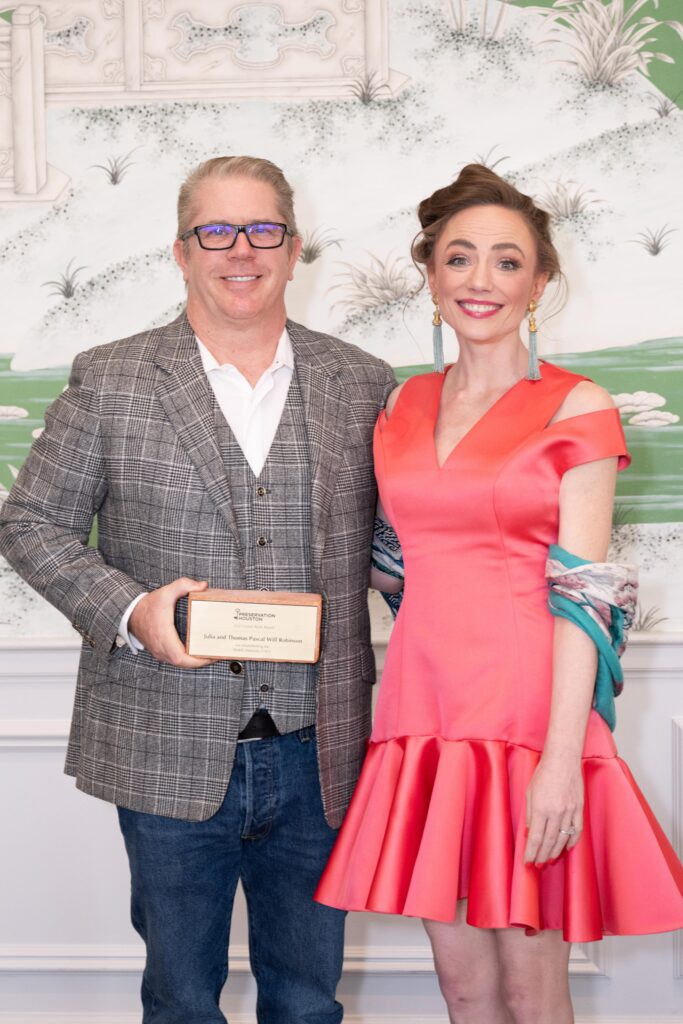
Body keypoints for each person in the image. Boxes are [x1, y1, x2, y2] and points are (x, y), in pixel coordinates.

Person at [0, 155, 396, 1024]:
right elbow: (29, 523)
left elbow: (399, 547)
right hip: (163, 743)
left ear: (293, 248)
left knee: (308, 1004)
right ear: (181, 252)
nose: (240, 250)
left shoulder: (364, 383)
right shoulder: (109, 378)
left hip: (319, 749)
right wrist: (132, 610)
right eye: (215, 231)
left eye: (262, 230)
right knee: (180, 1003)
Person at [316, 164, 683, 1023]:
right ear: (430, 274)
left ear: (539, 281)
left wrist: (560, 763)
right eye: (459, 257)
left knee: (530, 989)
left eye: (507, 261)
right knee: (463, 989)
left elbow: (584, 596)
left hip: (527, 721)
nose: (480, 280)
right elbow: (397, 563)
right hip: (421, 713)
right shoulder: (399, 405)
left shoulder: (576, 405)